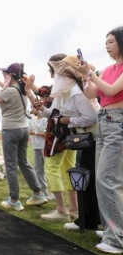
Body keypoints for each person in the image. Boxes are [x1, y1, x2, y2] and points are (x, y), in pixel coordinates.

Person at [26, 56, 98, 224]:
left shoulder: (75, 93)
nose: (53, 76)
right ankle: (74, 210)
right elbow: (52, 114)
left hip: (82, 137)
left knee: (51, 168)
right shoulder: (63, 92)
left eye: (55, 72)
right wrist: (41, 107)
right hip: (76, 137)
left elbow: (92, 118)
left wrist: (68, 120)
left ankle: (61, 210)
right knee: (70, 170)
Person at [0, 63, 46, 212]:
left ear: (11, 75)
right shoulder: (20, 89)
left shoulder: (10, 92)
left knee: (11, 166)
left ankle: (14, 200)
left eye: (4, 74)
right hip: (23, 129)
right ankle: (38, 193)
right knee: (24, 162)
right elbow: (6, 87)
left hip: (11, 131)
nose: (3, 76)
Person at [77, 26, 123, 254]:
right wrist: (86, 75)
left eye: (111, 41)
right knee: (102, 179)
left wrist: (92, 73)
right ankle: (110, 229)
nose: (107, 45)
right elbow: (91, 94)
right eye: (106, 42)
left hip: (118, 123)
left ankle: (116, 239)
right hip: (105, 120)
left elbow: (112, 90)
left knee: (108, 179)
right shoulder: (108, 68)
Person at [27, 87, 49, 199]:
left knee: (47, 169)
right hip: (35, 145)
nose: (32, 109)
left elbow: (46, 134)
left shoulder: (45, 119)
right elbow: (29, 131)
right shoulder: (32, 119)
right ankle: (43, 190)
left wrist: (34, 132)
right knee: (38, 169)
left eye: (34, 107)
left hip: (44, 145)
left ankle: (52, 192)